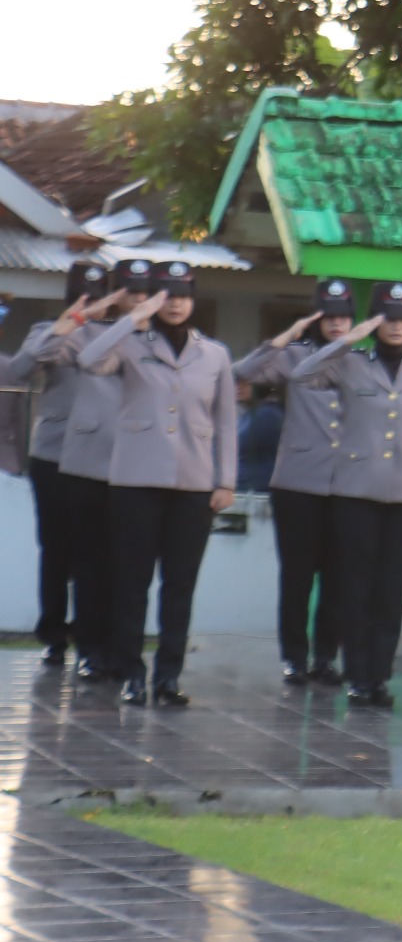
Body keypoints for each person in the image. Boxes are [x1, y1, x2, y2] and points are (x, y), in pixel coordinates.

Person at [77, 260, 237, 706]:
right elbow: (88, 359)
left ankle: (169, 677)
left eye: (184, 294)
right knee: (132, 582)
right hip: (135, 481)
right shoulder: (130, 343)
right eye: (166, 294)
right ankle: (132, 672)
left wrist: (225, 481)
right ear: (153, 298)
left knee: (179, 584)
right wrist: (131, 318)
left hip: (193, 484)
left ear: (194, 299)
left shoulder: (214, 354)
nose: (176, 303)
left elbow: (226, 420)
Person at [291, 282, 402, 709]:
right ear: (375, 322)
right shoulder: (350, 363)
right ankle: (356, 675)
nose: (397, 327)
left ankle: (379, 676)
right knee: (354, 588)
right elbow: (302, 376)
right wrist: (348, 341)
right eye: (389, 318)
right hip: (355, 493)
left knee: (391, 591)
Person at [236, 277, 357, 684]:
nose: (337, 325)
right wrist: (287, 334)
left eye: (344, 317)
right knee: (297, 575)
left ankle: (326, 657)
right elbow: (245, 371)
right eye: (329, 316)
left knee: (339, 576)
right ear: (317, 319)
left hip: (347, 484)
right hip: (297, 483)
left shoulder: (363, 360)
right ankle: (294, 656)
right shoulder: (297, 356)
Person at [8, 263, 111, 669]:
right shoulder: (47, 330)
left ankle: (90, 641)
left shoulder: (121, 335)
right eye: (82, 294)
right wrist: (67, 325)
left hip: (101, 459)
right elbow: (20, 369)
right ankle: (53, 635)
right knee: (55, 550)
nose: (89, 301)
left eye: (98, 293)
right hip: (54, 455)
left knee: (93, 554)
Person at [42, 261, 141, 680]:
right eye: (88, 293)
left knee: (116, 561)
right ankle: (63, 637)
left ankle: (112, 646)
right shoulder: (68, 331)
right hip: (65, 459)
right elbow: (34, 359)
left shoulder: (141, 338)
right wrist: (78, 316)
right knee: (68, 554)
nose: (97, 301)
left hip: (124, 462)